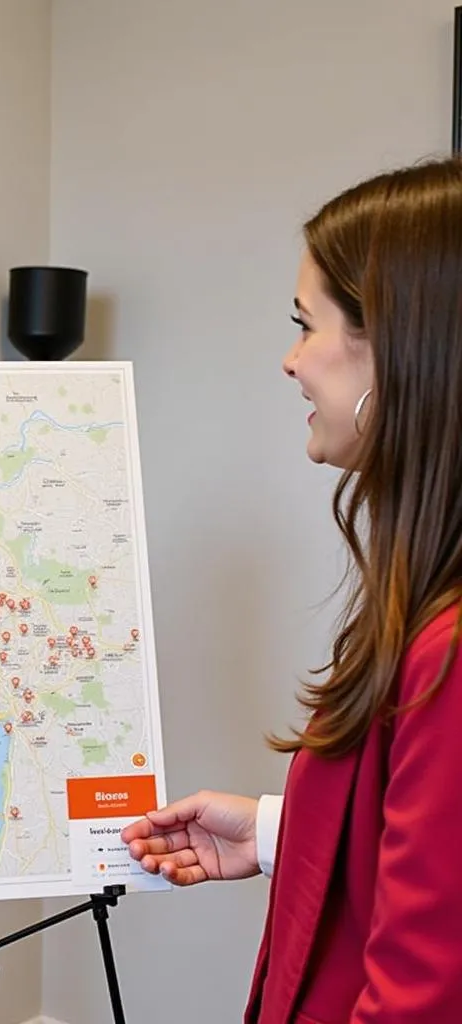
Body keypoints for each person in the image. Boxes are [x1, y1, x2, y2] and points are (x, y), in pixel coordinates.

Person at [122, 156, 462, 1022]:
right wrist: (277, 833)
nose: (290, 360)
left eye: (306, 325)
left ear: (398, 347)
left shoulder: (450, 656)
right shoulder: (425, 608)